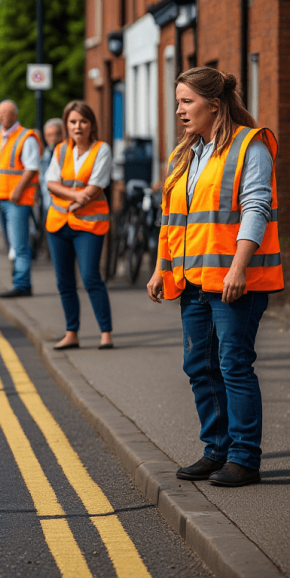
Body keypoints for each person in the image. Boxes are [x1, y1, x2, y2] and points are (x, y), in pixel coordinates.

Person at [147, 67, 282, 488]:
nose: (179, 110)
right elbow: (172, 219)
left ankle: (244, 458)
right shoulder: (187, 152)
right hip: (193, 281)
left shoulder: (249, 145)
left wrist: (239, 268)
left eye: (187, 102)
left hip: (231, 282)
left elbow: (255, 208)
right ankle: (217, 450)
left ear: (214, 105)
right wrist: (159, 268)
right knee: (199, 367)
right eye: (178, 101)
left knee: (234, 366)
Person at [44, 101, 114, 350]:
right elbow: (50, 182)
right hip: (58, 223)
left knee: (90, 277)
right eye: (73, 122)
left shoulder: (101, 150)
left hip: (89, 225)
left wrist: (79, 195)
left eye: (83, 121)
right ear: (66, 125)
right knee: (64, 282)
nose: (78, 126)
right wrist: (76, 197)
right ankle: (71, 332)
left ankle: (106, 332)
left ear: (91, 125)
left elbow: (97, 185)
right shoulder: (61, 150)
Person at [0, 99, 41, 297]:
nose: (2, 116)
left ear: (15, 115)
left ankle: (22, 284)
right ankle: (19, 279)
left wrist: (18, 190)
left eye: (6, 113)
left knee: (19, 244)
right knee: (12, 243)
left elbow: (32, 167)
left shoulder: (26, 137)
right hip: (2, 197)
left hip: (17, 200)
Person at [40, 118, 64, 208]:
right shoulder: (45, 154)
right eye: (49, 135)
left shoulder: (68, 153)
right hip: (47, 201)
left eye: (56, 134)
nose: (53, 138)